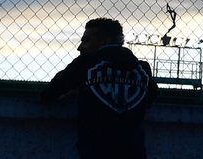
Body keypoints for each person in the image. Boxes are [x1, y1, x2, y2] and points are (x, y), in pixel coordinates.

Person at [41, 17, 159, 159]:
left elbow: (48, 94)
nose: (80, 47)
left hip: (95, 151)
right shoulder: (142, 70)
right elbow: (150, 97)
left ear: (105, 41)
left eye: (86, 41)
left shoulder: (85, 64)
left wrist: (83, 89)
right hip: (134, 152)